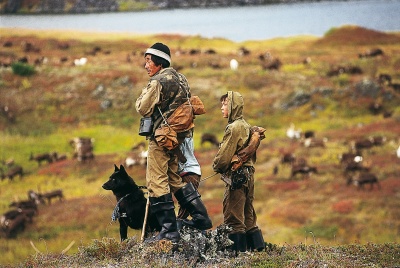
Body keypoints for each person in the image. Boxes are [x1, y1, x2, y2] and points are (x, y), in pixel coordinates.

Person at [135, 43, 212, 243]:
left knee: (156, 181)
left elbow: (142, 108)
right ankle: (201, 217)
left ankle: (169, 230)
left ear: (159, 62)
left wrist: (143, 96)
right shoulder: (181, 78)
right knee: (173, 178)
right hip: (177, 139)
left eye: (149, 61)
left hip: (161, 139)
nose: (146, 65)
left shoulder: (158, 81)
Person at [212, 91, 265, 253]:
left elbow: (223, 158)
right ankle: (258, 251)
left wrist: (217, 166)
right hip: (249, 175)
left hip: (236, 177)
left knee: (233, 219)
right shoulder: (246, 126)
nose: (222, 107)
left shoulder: (234, 128)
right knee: (249, 217)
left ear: (233, 106)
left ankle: (237, 257)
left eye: (225, 104)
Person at [176, 135, 202, 229]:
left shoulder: (181, 129)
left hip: (188, 170)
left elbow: (175, 147)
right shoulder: (187, 127)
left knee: (187, 204)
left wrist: (181, 158)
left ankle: (177, 230)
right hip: (189, 170)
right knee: (185, 203)